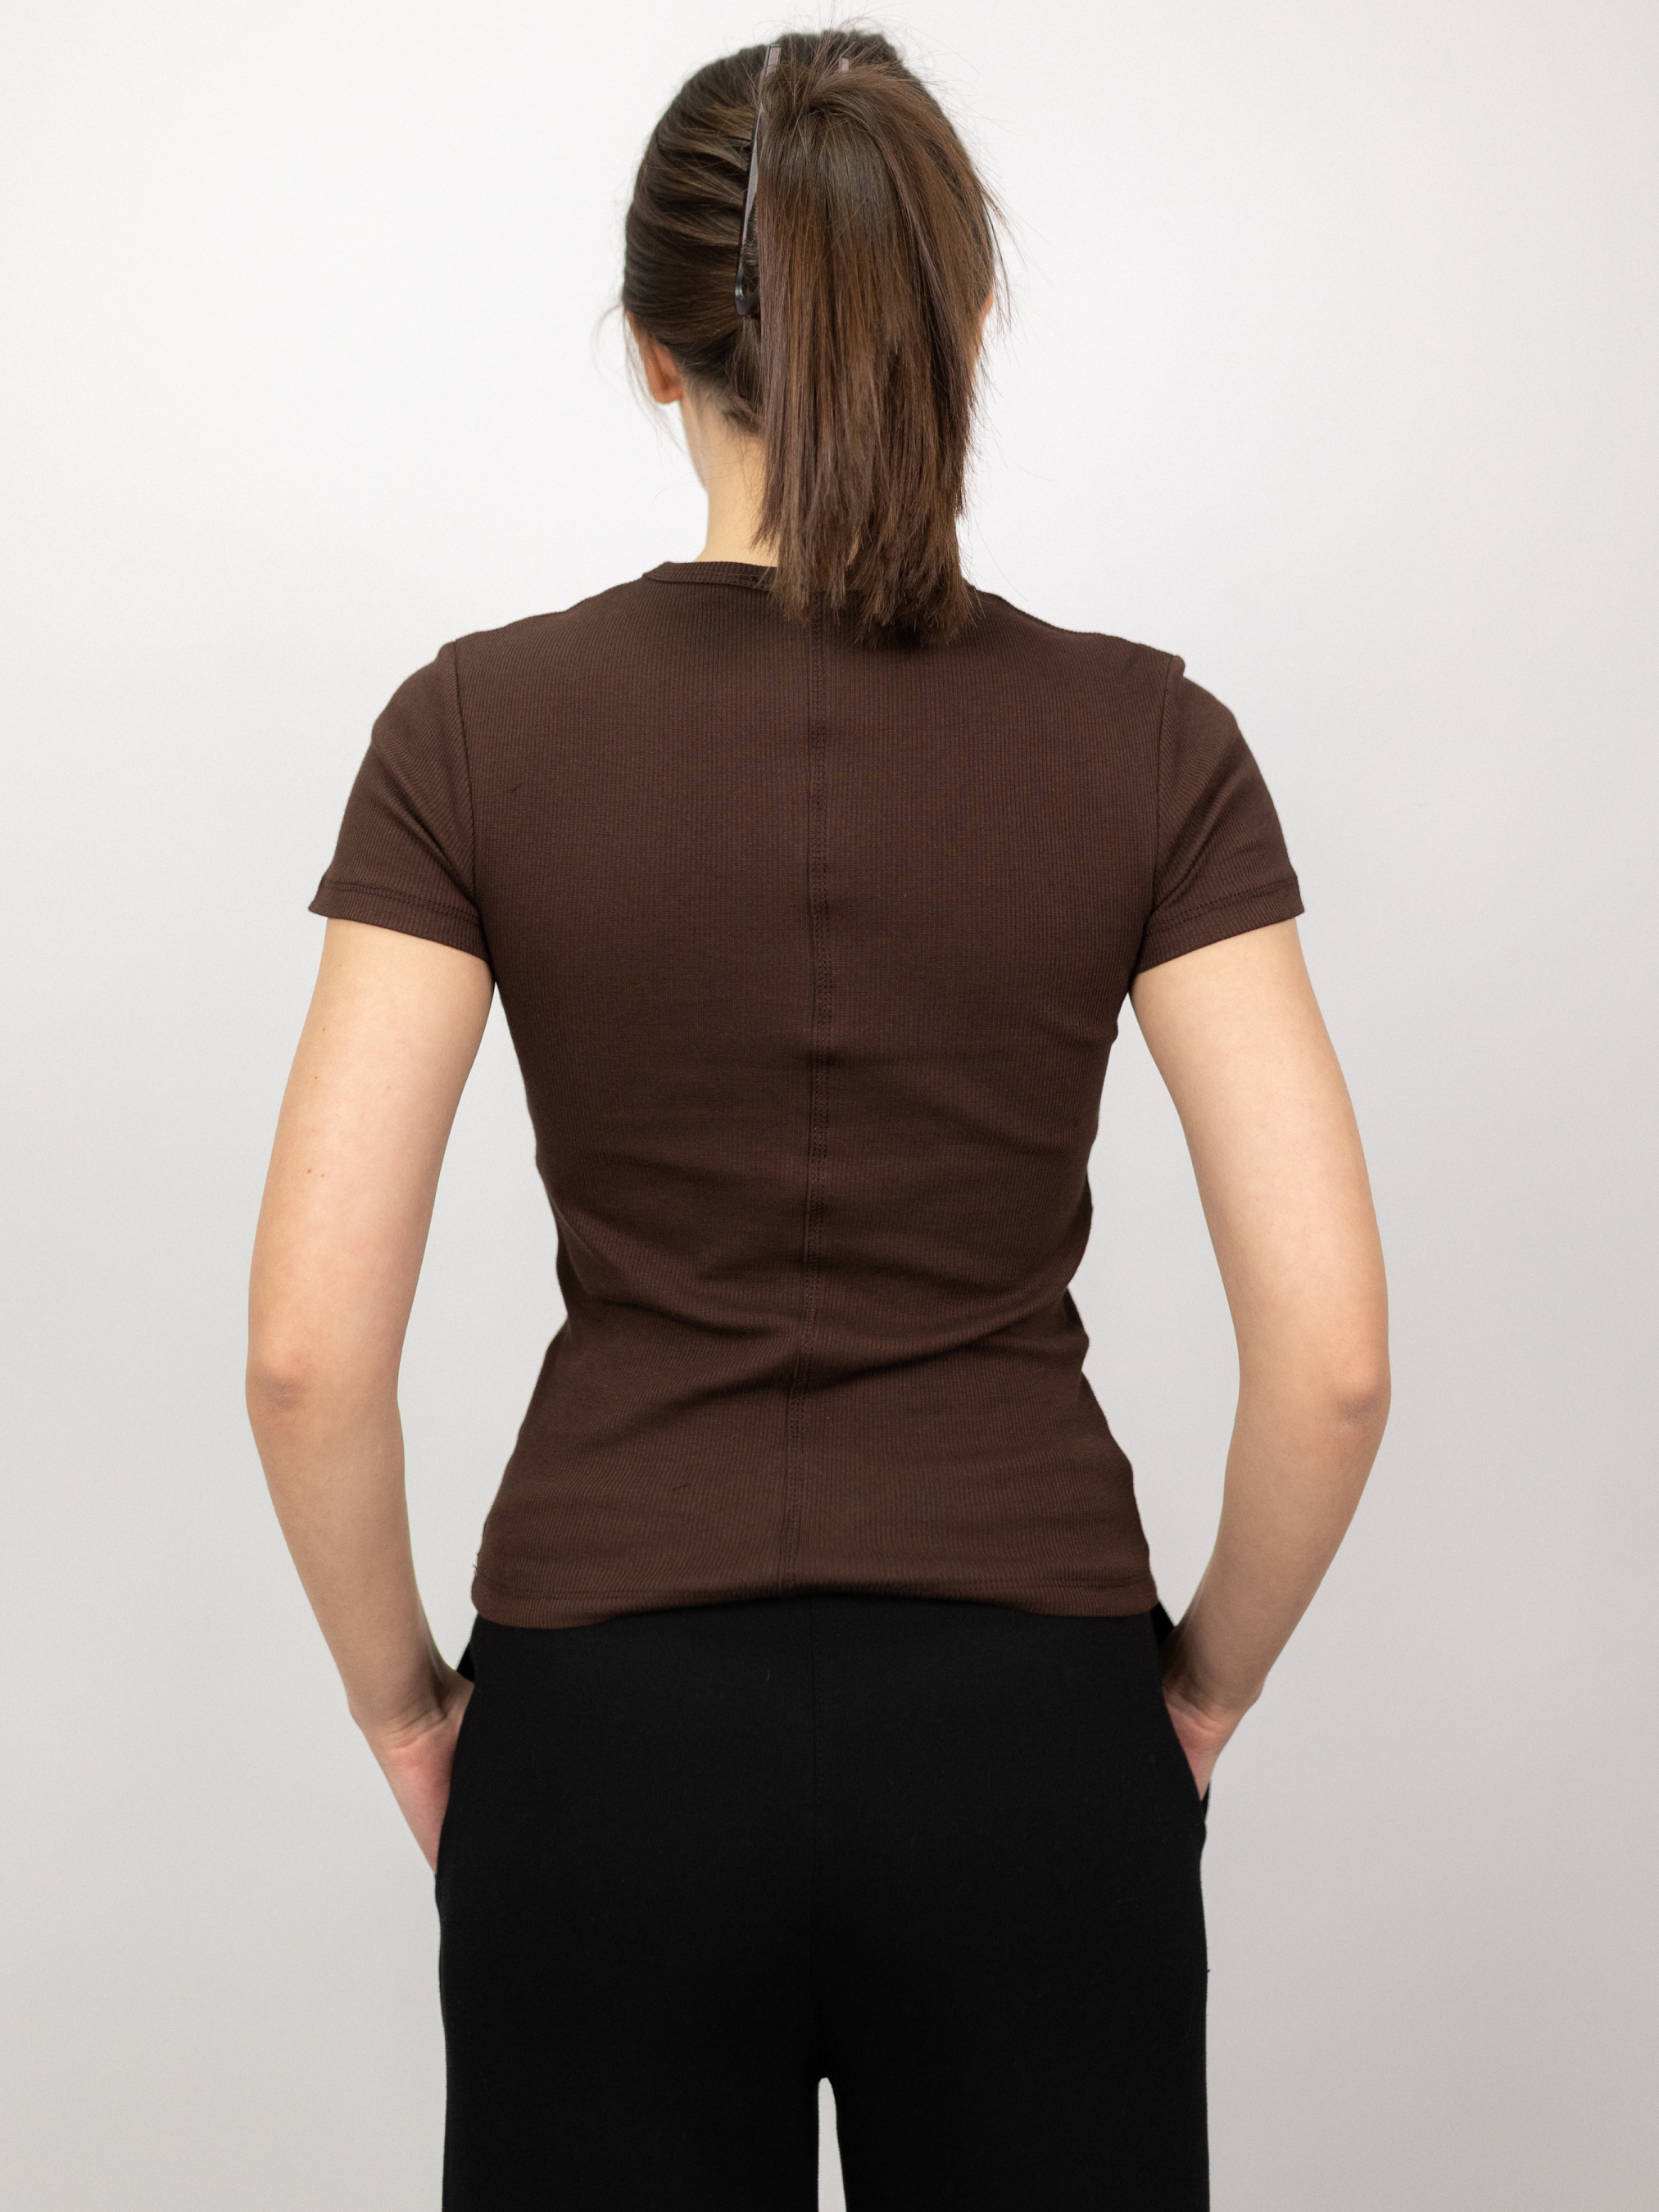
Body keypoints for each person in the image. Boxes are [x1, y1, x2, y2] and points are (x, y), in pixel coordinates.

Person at [246, 27, 1389, 2211]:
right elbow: (1332, 1363)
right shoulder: (1150, 746)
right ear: (965, 317)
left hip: (609, 1744)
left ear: (654, 354)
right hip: (1030, 1745)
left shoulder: (471, 733)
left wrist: (412, 1716)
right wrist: (1190, 1705)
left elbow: (304, 1353)